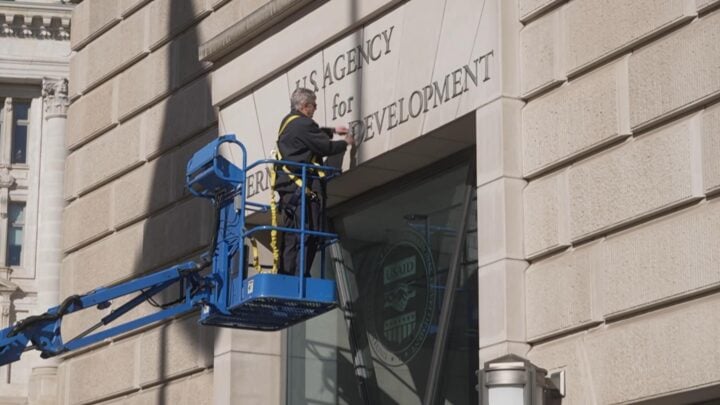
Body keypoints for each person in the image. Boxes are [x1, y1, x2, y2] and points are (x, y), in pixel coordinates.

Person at [275, 88, 355, 276]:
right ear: (304, 106)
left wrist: (332, 130)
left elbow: (308, 136)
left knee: (292, 237)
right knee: (307, 234)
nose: (315, 108)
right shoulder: (303, 125)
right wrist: (346, 142)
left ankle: (289, 275)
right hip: (302, 191)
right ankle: (299, 277)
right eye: (314, 105)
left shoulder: (288, 123)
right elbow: (324, 146)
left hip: (290, 191)